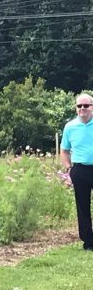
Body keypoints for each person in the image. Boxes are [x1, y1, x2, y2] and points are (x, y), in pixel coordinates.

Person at [61, 93, 93, 251]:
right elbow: (65, 150)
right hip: (79, 170)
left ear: (92, 107)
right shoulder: (70, 126)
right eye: (79, 106)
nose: (82, 109)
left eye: (86, 105)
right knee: (82, 206)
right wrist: (68, 168)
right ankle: (88, 241)